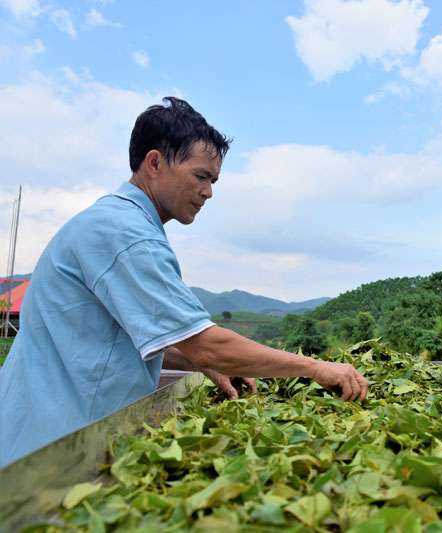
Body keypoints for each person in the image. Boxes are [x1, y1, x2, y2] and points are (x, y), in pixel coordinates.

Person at [0, 97, 369, 466]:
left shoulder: (117, 222)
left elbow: (124, 341)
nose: (208, 191)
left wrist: (200, 363)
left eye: (213, 180)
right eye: (201, 176)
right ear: (156, 163)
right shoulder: (127, 235)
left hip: (38, 434)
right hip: (53, 450)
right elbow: (208, 343)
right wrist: (316, 368)